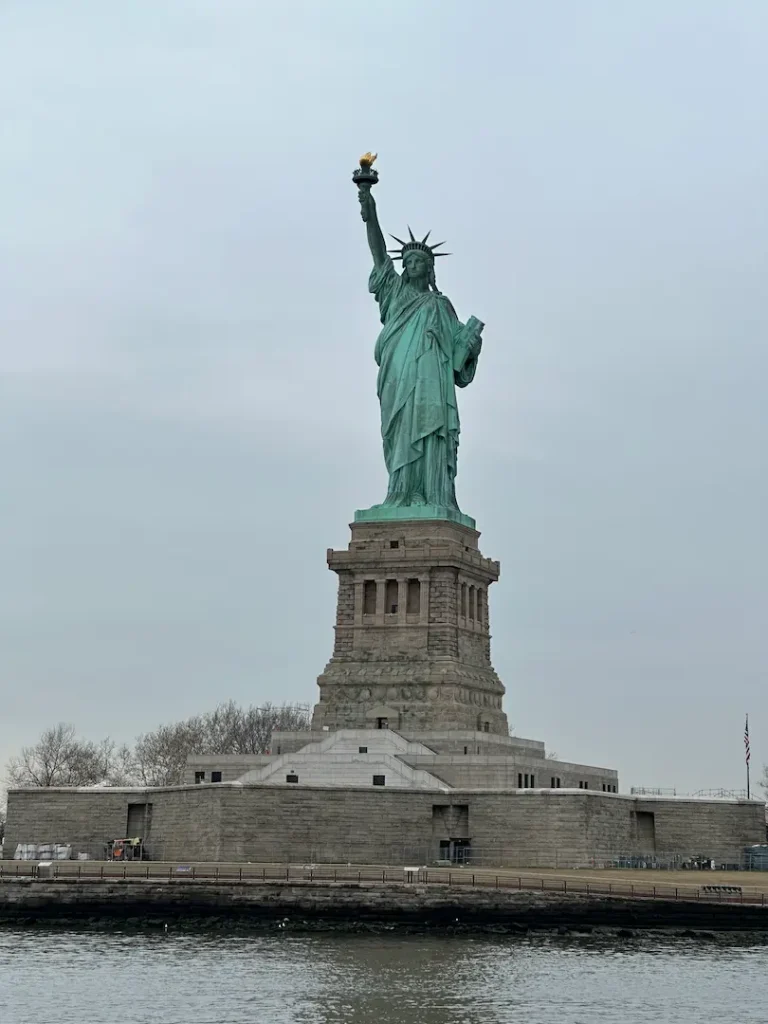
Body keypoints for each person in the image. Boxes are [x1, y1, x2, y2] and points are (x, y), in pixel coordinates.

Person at [358, 185, 484, 514]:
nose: (413, 264)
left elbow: (459, 358)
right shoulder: (394, 291)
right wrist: (368, 204)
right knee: (400, 431)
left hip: (431, 383)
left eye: (419, 262)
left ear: (430, 269)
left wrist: (472, 343)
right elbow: (378, 251)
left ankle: (431, 495)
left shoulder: (440, 305)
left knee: (430, 433)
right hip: (398, 375)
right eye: (409, 260)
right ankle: (399, 494)